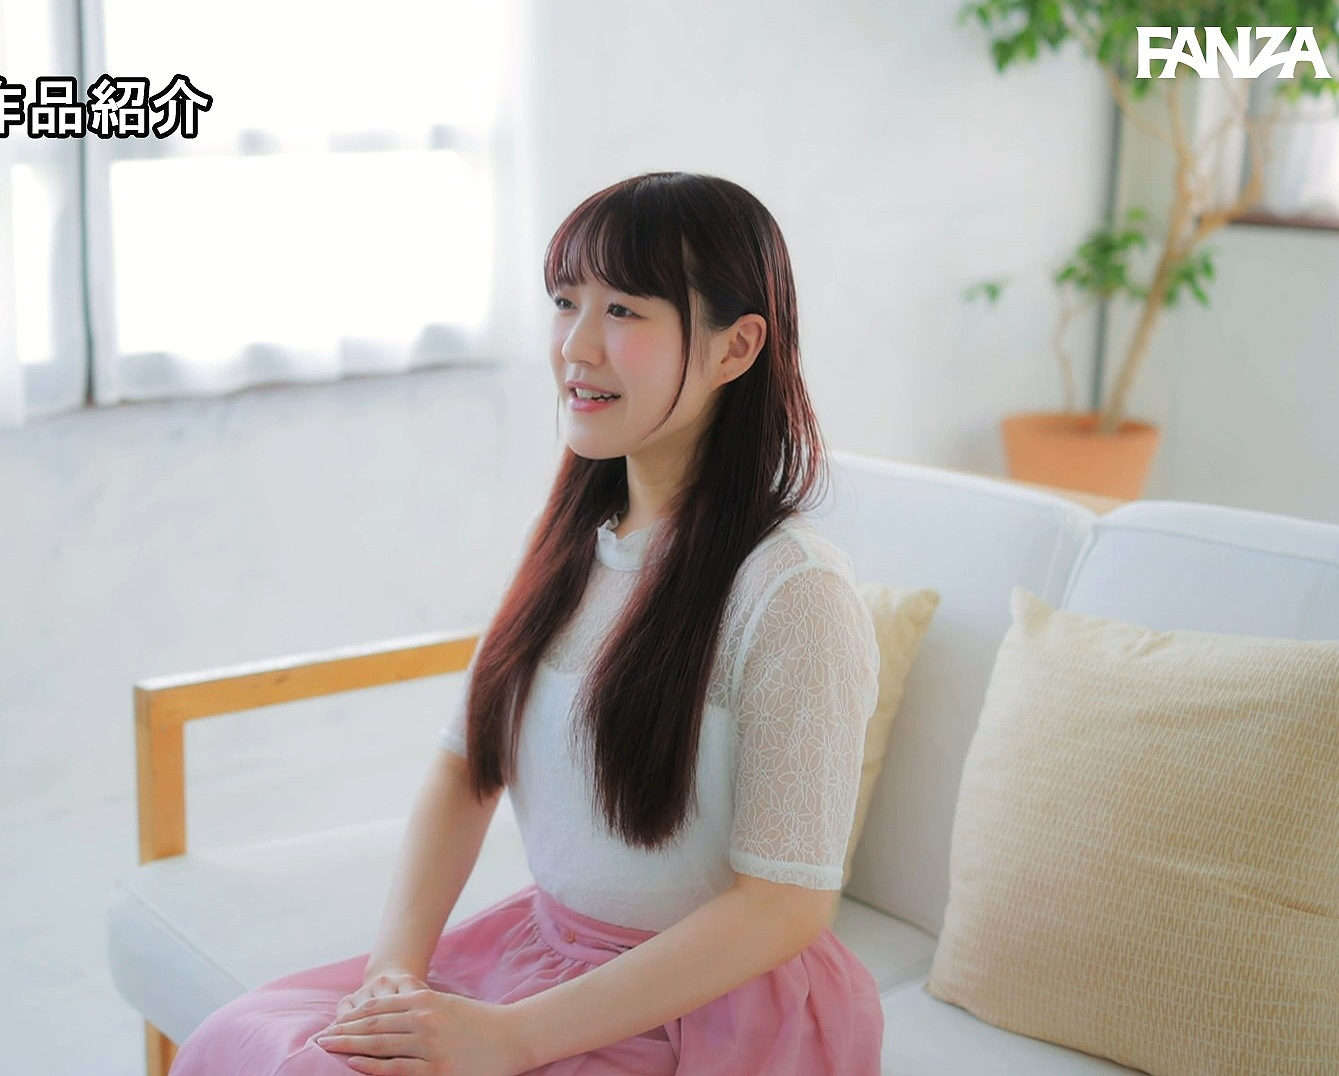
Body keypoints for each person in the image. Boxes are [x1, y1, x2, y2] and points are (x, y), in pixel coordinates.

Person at [168, 171, 884, 1075]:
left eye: (623, 311)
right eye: (565, 302)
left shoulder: (793, 592)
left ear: (735, 347)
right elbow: (466, 766)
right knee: (244, 1041)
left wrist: (511, 1039)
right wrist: (394, 974)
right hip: (546, 958)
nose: (576, 346)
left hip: (707, 1012)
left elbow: (784, 906)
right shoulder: (572, 545)